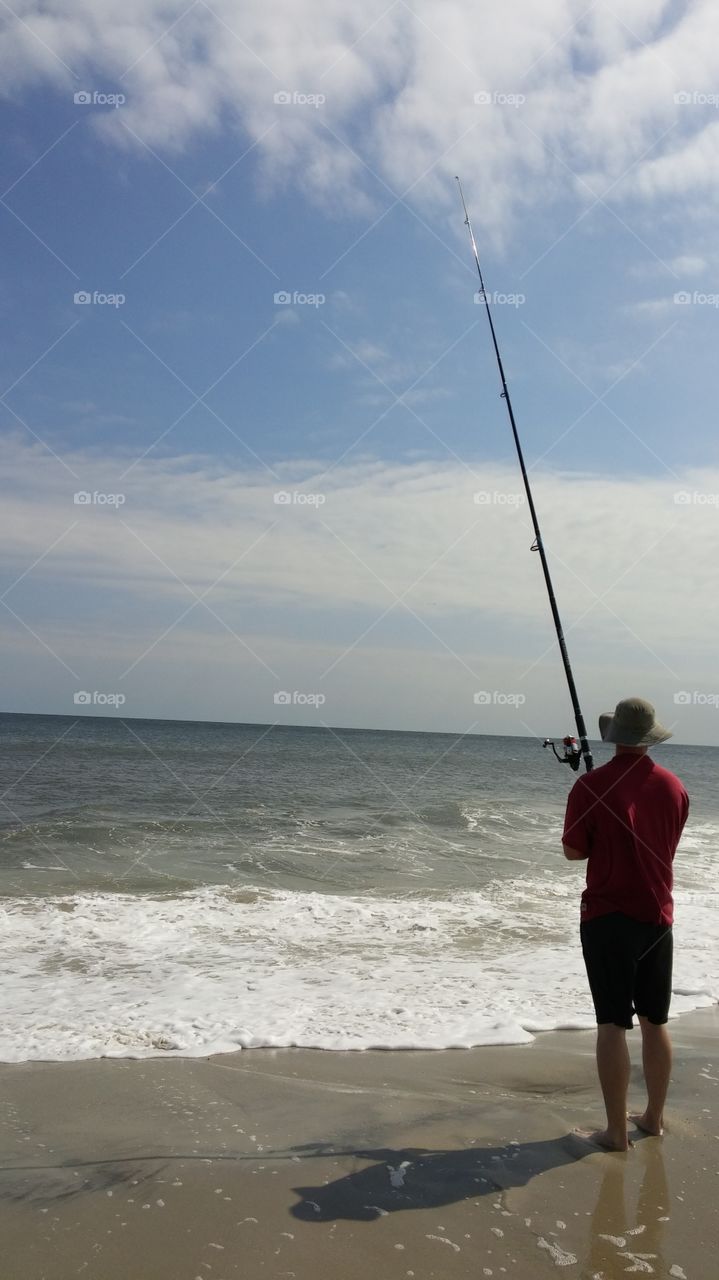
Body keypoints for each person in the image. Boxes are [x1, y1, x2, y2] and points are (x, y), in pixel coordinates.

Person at [562, 697, 689, 1151]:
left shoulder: (589, 786)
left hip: (608, 916)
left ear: (614, 736)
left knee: (612, 1024)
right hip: (658, 916)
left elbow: (574, 851)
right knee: (655, 1021)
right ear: (650, 737)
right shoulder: (675, 787)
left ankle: (616, 1133)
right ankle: (652, 1118)